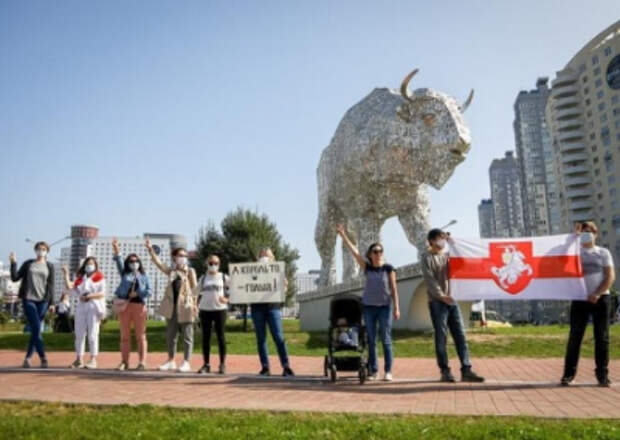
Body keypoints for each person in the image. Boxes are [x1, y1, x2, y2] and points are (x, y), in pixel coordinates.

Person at [337, 224, 400, 381]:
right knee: (371, 340)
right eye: (375, 252)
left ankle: (388, 371)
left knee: (385, 339)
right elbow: (354, 252)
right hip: (369, 308)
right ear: (370, 255)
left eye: (380, 251)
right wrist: (343, 235)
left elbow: (394, 289)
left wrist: (396, 308)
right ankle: (374, 371)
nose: (378, 254)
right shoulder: (367, 268)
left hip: (385, 308)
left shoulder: (389, 269)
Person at [421, 228, 484, 383]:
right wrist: (442, 296)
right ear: (431, 241)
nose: (443, 240)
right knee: (441, 336)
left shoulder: (449, 256)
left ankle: (466, 369)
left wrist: (453, 243)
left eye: (444, 237)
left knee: (460, 335)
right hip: (437, 302)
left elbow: (463, 262)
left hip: (452, 301)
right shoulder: (426, 257)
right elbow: (430, 281)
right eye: (440, 238)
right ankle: (445, 371)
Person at [562, 221, 615, 387]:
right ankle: (568, 375)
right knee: (575, 338)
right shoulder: (574, 253)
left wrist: (597, 293)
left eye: (590, 231)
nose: (587, 233)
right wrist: (573, 238)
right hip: (579, 300)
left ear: (596, 234)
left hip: (601, 299)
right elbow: (561, 259)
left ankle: (602, 375)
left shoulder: (603, 253)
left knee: (602, 337)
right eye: (584, 231)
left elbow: (609, 276)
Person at [145, 237, 197, 373]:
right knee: (171, 336)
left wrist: (195, 306)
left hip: (186, 307)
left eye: (185, 256)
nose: (183, 258)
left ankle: (186, 361)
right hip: (171, 308)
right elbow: (160, 264)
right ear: (174, 257)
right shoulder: (172, 272)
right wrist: (151, 251)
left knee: (187, 336)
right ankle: (171, 360)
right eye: (180, 255)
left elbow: (195, 290)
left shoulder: (190, 271)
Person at [9, 242, 55, 368]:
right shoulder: (29, 264)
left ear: (47, 251)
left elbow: (51, 286)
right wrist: (13, 263)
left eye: (44, 249)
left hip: (43, 301)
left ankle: (28, 358)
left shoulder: (50, 266)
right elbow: (14, 277)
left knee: (35, 330)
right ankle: (43, 357)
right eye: (39, 249)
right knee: (36, 326)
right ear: (35, 251)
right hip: (28, 298)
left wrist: (52, 303)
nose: (41, 251)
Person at [250, 248, 295, 377]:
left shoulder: (277, 271)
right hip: (257, 307)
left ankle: (286, 366)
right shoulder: (252, 271)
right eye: (261, 254)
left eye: (266, 255)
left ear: (272, 258)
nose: (263, 257)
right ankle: (265, 367)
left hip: (273, 307)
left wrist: (284, 285)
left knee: (279, 337)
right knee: (261, 338)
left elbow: (284, 288)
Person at [112, 238, 152, 371]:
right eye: (131, 261)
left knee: (141, 336)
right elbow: (118, 260)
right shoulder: (125, 274)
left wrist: (138, 294)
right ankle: (124, 361)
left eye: (136, 261)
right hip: (125, 306)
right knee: (124, 336)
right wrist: (116, 247)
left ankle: (142, 362)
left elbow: (149, 291)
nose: (134, 263)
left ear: (139, 263)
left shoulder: (144, 277)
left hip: (139, 306)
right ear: (128, 263)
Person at [62, 257, 106, 369]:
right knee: (79, 333)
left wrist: (89, 296)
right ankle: (79, 359)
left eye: (91, 264)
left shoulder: (99, 277)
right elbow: (70, 288)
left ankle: (93, 359)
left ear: (96, 266)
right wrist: (66, 274)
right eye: (87, 264)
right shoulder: (81, 279)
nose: (89, 266)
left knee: (93, 333)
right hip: (81, 306)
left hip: (93, 306)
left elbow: (102, 293)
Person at [197, 254, 229, 374]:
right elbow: (195, 292)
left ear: (219, 265)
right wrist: (194, 305)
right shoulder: (203, 278)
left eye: (216, 263)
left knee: (221, 337)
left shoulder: (224, 277)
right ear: (207, 264)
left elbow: (236, 288)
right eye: (211, 263)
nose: (213, 265)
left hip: (220, 310)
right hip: (205, 310)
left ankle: (222, 364)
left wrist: (227, 299)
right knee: (206, 338)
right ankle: (206, 364)